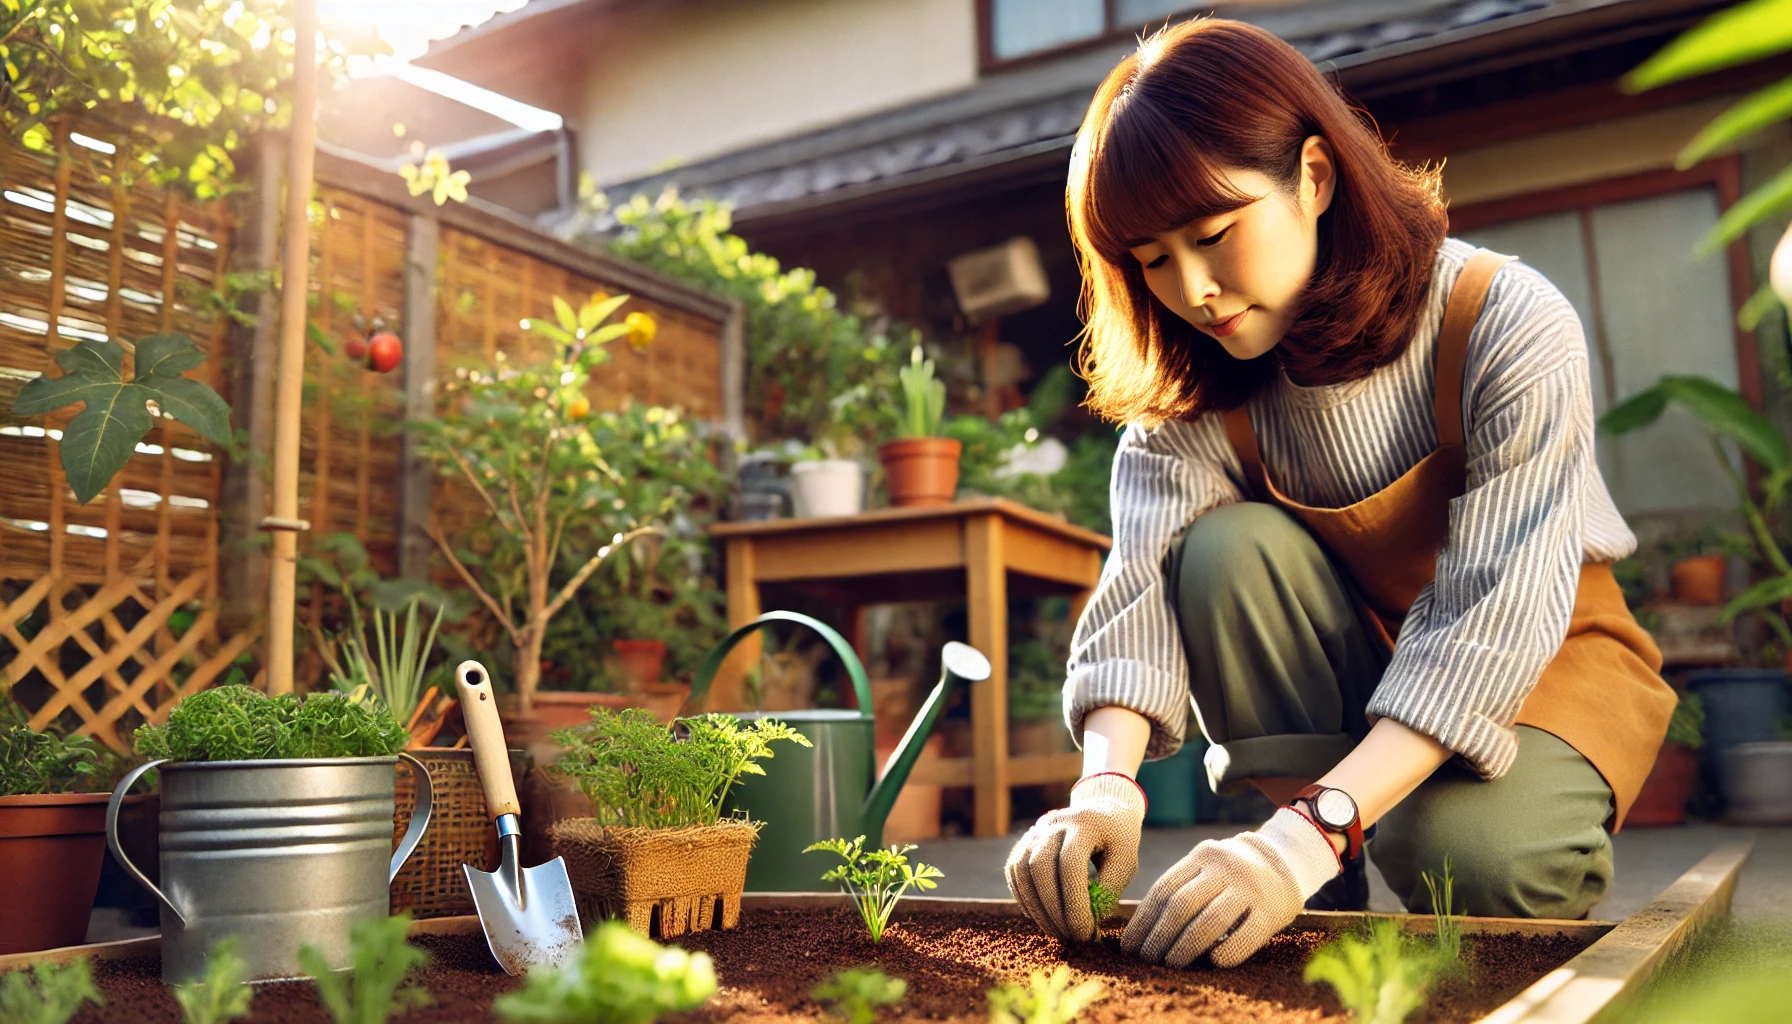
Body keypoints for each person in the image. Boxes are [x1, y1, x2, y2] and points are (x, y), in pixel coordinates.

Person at [1004, 18, 1676, 970]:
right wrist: (1104, 788)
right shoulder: (1197, 391)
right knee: (1222, 551)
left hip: (1537, 657)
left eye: (1213, 232)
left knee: (1466, 861)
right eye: (1152, 258)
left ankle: (1340, 844)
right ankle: (1330, 882)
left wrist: (1297, 841)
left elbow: (1491, 620)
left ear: (1314, 178)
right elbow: (1141, 587)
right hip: (1359, 662)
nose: (1192, 288)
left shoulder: (1505, 322)